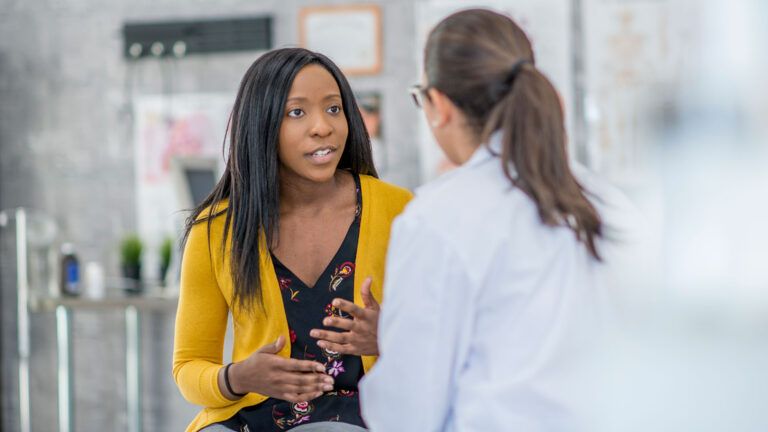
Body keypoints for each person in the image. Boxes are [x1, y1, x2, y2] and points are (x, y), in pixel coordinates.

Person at [360, 9, 633, 431]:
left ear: (439, 106)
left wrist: (393, 346)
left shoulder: (439, 217)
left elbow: (407, 413)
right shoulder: (607, 203)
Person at [172, 48, 412, 432]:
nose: (323, 127)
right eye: (297, 112)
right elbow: (189, 365)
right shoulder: (216, 228)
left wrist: (388, 338)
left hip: (360, 416)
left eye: (334, 109)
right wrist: (238, 378)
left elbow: (448, 346)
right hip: (250, 418)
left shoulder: (400, 211)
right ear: (262, 125)